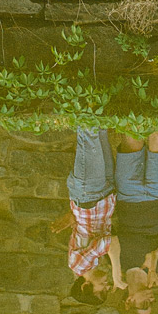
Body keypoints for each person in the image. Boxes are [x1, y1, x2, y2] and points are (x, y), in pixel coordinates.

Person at [109, 130, 158, 314]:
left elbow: (112, 240)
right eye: (152, 303)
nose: (151, 299)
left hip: (128, 197)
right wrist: (156, 255)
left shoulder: (117, 270)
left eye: (144, 304)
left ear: (129, 301)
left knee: (130, 139)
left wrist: (116, 271)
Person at [52, 126, 117, 303]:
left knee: (88, 133)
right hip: (102, 194)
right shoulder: (92, 263)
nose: (107, 286)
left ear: (85, 286)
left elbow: (107, 241)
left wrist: (117, 273)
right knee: (101, 131)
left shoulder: (79, 266)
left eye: (101, 290)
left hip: (89, 192)